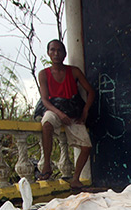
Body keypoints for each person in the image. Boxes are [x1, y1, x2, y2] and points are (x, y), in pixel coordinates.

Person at [37, 39, 95, 187]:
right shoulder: (44, 74)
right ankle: (47, 165)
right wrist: (59, 114)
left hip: (72, 109)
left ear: (64, 54)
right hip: (53, 108)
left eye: (59, 50)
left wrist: (85, 111)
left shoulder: (73, 71)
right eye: (52, 50)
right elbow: (44, 99)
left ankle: (76, 178)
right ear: (48, 53)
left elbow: (90, 92)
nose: (56, 53)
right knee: (47, 123)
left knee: (86, 146)